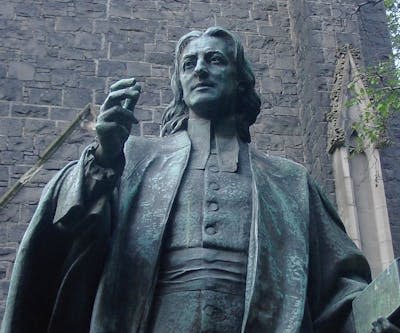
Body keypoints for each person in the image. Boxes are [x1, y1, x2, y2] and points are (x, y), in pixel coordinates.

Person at [0, 26, 396, 333]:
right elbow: (70, 228)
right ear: (180, 84)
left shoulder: (289, 182)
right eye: (189, 64)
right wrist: (103, 157)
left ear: (240, 79)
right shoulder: (132, 157)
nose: (201, 69)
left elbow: (340, 288)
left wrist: (378, 308)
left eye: (215, 61)